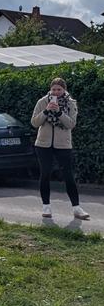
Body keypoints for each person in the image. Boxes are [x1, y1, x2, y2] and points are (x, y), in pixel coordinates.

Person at [31, 77, 89, 219]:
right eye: (54, 89)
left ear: (64, 90)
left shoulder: (71, 103)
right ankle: (46, 207)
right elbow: (34, 122)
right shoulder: (42, 101)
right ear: (50, 89)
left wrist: (59, 112)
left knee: (68, 175)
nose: (56, 92)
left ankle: (76, 208)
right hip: (43, 144)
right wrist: (46, 111)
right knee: (45, 174)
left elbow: (71, 124)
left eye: (59, 89)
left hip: (63, 144)